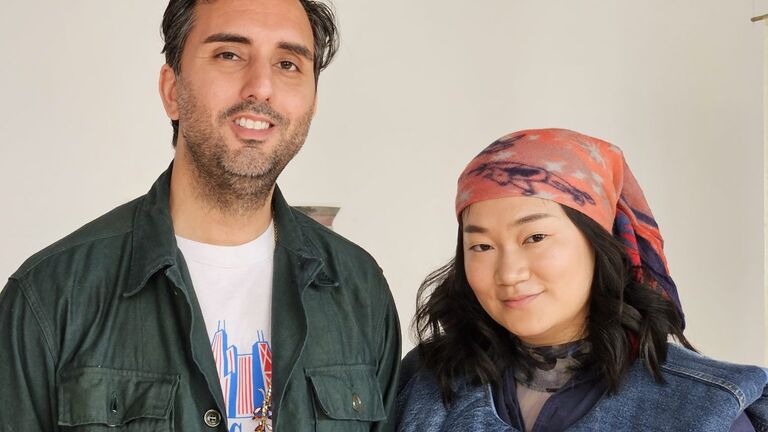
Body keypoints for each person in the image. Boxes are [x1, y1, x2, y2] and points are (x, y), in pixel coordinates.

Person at [0, 1, 400, 431]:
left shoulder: (361, 292)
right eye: (229, 54)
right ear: (173, 90)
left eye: (288, 63)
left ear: (313, 102)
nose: (261, 87)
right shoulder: (50, 296)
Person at [396, 128, 767, 431]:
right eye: (481, 246)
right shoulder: (425, 381)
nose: (509, 273)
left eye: (535, 238)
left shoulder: (705, 409)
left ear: (600, 244)